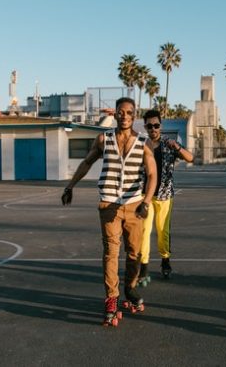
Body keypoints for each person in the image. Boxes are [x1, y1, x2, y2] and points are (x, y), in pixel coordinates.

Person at [61, 97, 157, 327]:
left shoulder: (144, 142)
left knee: (134, 253)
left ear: (134, 116)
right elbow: (86, 162)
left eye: (129, 112)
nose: (124, 116)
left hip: (134, 205)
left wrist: (147, 200)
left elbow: (152, 174)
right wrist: (70, 186)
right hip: (109, 205)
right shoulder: (104, 139)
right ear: (115, 114)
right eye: (120, 112)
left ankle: (130, 288)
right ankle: (112, 299)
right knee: (111, 253)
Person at [138, 109, 193, 285]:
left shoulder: (168, 144)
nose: (153, 128)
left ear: (160, 126)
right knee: (144, 232)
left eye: (156, 125)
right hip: (144, 196)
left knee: (163, 232)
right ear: (145, 127)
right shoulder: (141, 146)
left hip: (164, 196)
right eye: (149, 126)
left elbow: (190, 158)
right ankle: (143, 269)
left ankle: (165, 261)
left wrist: (176, 146)